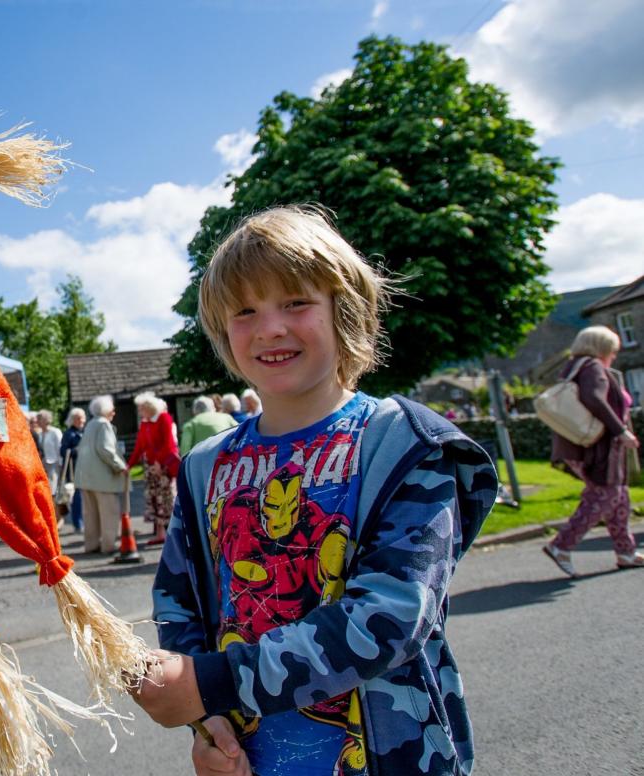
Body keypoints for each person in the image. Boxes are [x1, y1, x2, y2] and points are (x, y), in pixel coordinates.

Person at [135, 206, 497, 776]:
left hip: (390, 757)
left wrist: (211, 685)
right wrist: (208, 722)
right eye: (245, 311)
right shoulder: (204, 466)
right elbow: (180, 604)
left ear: (343, 310)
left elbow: (392, 615)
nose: (270, 328)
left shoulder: (404, 445)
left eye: (296, 303)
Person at [543, 325, 643, 575]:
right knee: (605, 494)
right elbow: (594, 398)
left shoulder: (576, 367)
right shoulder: (592, 368)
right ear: (601, 347)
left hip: (585, 445)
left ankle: (626, 551)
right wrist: (620, 430)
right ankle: (561, 545)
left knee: (618, 496)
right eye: (613, 349)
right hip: (597, 448)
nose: (615, 355)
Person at [73, 394, 128, 554]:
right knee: (108, 512)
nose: (114, 413)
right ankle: (109, 545)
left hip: (86, 477)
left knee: (91, 514)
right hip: (102, 478)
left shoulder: (90, 424)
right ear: (105, 410)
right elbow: (105, 449)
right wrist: (120, 466)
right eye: (112, 410)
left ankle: (91, 544)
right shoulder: (104, 424)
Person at [127, 392, 180, 546]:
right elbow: (140, 447)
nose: (139, 411)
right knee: (155, 499)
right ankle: (160, 533)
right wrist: (129, 465)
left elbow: (168, 444)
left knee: (167, 498)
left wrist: (159, 462)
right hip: (151, 467)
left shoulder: (164, 418)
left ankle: (172, 532)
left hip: (163, 467)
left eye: (141, 408)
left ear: (149, 408)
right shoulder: (145, 423)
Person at [60, 408, 87, 533]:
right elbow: (63, 452)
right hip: (74, 471)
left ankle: (88, 522)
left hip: (87, 469)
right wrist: (76, 450)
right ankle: (78, 523)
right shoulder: (69, 434)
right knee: (77, 498)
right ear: (72, 420)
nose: (81, 420)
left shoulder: (86, 432)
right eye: (78, 418)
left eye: (82, 417)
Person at [35, 409, 63, 498]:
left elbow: (59, 448)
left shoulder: (55, 432)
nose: (37, 421)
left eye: (39, 419)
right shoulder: (40, 434)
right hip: (44, 464)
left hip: (54, 463)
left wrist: (61, 464)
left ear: (45, 420)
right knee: (46, 488)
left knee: (53, 488)